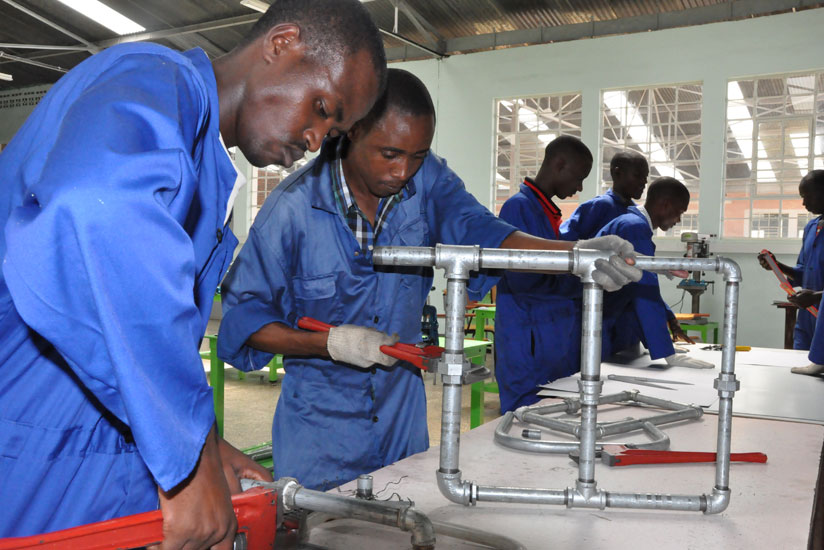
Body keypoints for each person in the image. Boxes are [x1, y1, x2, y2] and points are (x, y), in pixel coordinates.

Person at [0, 0, 386, 543]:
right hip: (29, 451)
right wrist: (188, 458)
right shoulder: (152, 80)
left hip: (87, 457)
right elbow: (94, 207)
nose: (316, 139)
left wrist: (206, 445)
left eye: (334, 130)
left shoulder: (197, 154)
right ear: (281, 45)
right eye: (322, 107)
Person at [217, 69, 641, 490]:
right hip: (319, 431)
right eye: (390, 154)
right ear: (351, 132)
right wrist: (328, 343)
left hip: (402, 421)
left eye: (417, 155)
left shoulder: (428, 178)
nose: (404, 171)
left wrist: (576, 253)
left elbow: (485, 232)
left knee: (404, 523)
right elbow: (243, 321)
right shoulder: (290, 211)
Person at [494, 136, 597, 412]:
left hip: (545, 337)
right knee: (524, 417)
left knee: (552, 413)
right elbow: (524, 277)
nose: (579, 187)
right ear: (559, 164)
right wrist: (583, 281)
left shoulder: (542, 210)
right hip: (527, 339)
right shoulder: (519, 207)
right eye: (578, 177)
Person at [597, 177, 714, 369]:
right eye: (679, 212)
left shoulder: (632, 223)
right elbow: (642, 287)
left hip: (612, 315)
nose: (678, 220)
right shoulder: (634, 227)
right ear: (664, 204)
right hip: (603, 317)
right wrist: (667, 352)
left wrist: (668, 316)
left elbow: (642, 282)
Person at [758, 170, 824, 375]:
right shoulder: (812, 227)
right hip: (807, 317)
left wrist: (816, 297)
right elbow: (804, 272)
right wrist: (777, 266)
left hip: (819, 311)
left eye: (807, 196)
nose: (804, 204)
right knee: (799, 375)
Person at [560, 150, 649, 241]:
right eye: (637, 175)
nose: (644, 182)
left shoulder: (637, 213)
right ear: (617, 173)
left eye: (645, 177)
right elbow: (565, 238)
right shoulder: (600, 206)